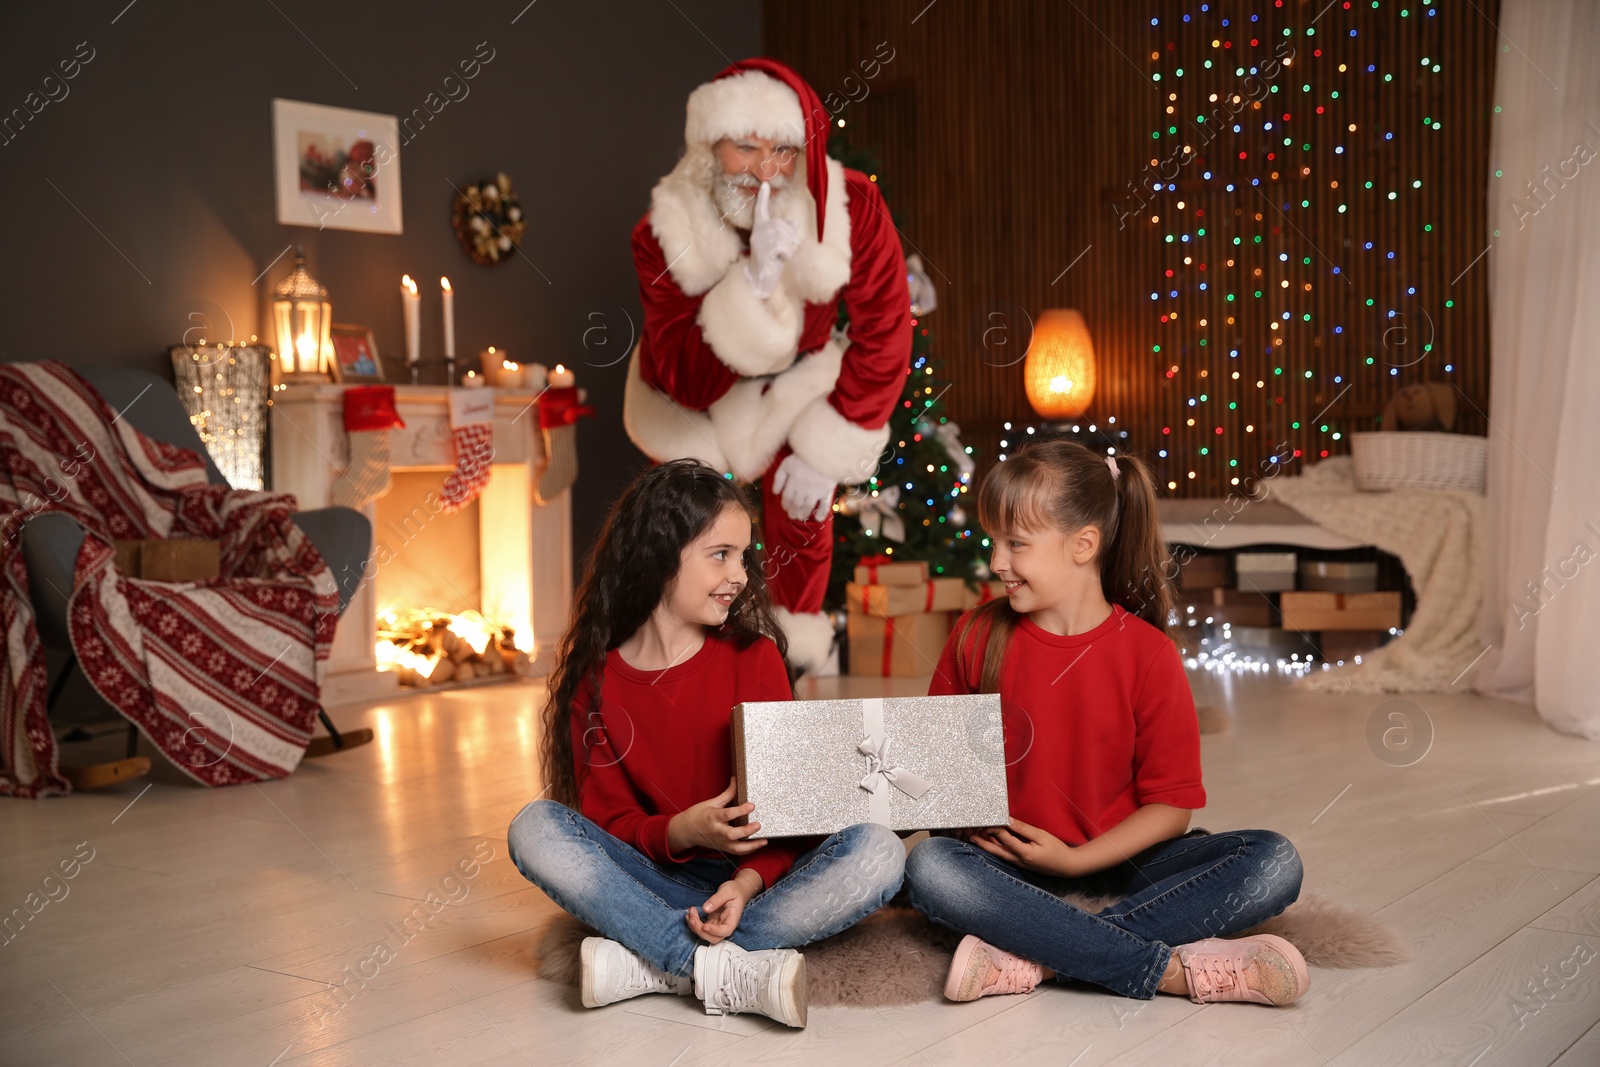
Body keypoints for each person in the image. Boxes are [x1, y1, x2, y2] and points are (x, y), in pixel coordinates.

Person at [903, 437, 1310, 1007]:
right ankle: (1160, 968)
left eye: (1015, 543)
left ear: (1083, 545)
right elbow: (930, 778)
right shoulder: (976, 635)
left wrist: (1073, 860)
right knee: (929, 867)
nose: (996, 561)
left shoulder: (1148, 654)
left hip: (1124, 864)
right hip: (1008, 865)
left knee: (1274, 861)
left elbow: (1172, 805)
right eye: (993, 541)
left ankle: (1040, 957)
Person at [506, 459, 905, 1028]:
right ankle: (715, 967)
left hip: (758, 884)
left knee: (880, 851)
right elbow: (608, 821)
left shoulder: (755, 657)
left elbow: (793, 814)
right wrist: (681, 830)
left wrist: (743, 884)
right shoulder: (596, 683)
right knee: (534, 827)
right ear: (658, 554)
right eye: (720, 554)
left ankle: (656, 963)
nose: (740, 575)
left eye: (743, 556)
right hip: (659, 881)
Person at [623, 57, 912, 674]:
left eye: (781, 148)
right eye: (744, 146)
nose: (762, 169)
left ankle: (788, 663)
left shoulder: (850, 206)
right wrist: (752, 289)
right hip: (694, 389)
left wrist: (829, 447)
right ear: (710, 147)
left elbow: (885, 331)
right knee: (683, 523)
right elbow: (685, 376)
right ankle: (679, 661)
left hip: (794, 376)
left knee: (803, 508)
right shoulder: (664, 231)